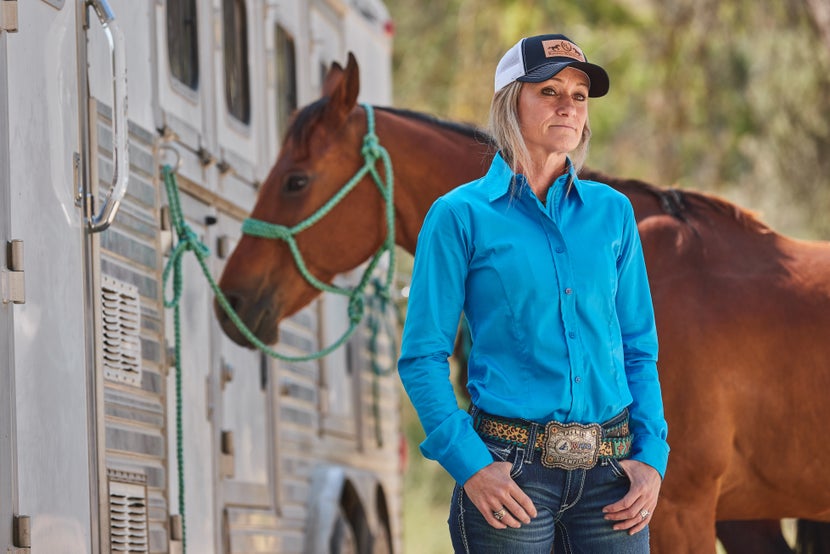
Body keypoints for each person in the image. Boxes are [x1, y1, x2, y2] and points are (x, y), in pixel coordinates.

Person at [398, 33, 669, 553]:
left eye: (579, 95)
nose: (569, 106)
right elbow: (422, 357)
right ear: (509, 103)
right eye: (549, 91)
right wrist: (472, 465)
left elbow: (638, 346)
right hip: (511, 477)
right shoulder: (459, 216)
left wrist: (652, 457)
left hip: (613, 479)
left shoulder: (612, 214)